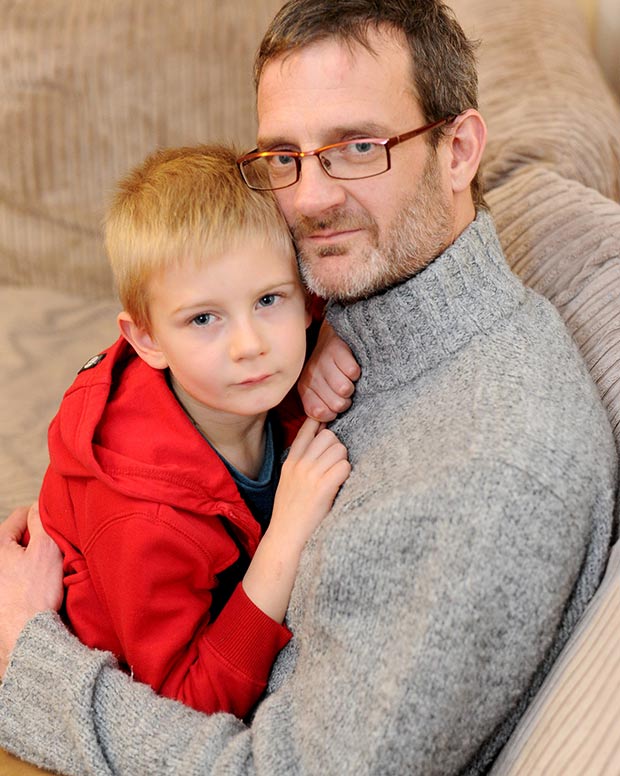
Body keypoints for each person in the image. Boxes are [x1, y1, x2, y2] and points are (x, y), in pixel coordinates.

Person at [0, 1, 616, 774]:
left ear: (458, 150)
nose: (311, 200)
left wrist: (30, 658)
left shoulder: (492, 476)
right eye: (284, 157)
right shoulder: (350, 300)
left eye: (359, 147)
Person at [31, 143, 351, 718]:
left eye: (269, 300)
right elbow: (184, 705)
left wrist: (326, 341)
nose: (249, 344)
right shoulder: (145, 519)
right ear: (147, 339)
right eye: (204, 319)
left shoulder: (272, 362)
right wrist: (286, 534)